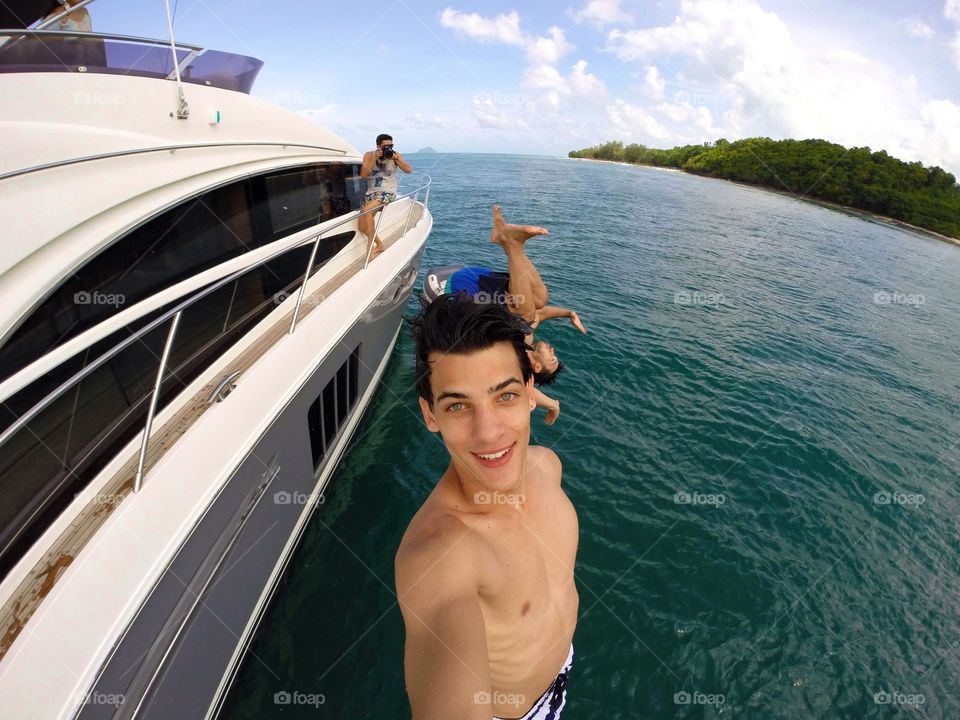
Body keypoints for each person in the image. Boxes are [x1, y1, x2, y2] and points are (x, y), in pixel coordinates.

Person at [397, 295, 579, 720]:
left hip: (561, 673)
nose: (489, 431)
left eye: (505, 396)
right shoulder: (441, 554)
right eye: (457, 405)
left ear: (529, 393)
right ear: (430, 414)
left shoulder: (546, 467)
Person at [447, 206, 586, 386]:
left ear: (536, 367)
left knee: (525, 315)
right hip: (478, 280)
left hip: (463, 289)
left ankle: (510, 242)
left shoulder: (514, 352)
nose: (553, 351)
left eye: (552, 359)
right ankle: (507, 242)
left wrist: (552, 405)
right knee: (540, 299)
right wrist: (569, 313)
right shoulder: (528, 336)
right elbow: (541, 312)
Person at [359, 133, 412, 258]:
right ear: (378, 146)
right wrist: (374, 159)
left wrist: (396, 159)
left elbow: (409, 170)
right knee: (361, 226)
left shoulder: (395, 155)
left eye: (391, 145)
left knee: (366, 211)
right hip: (371, 193)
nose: (389, 148)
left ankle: (370, 247)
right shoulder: (368, 155)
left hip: (388, 192)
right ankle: (380, 245)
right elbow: (363, 175)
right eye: (385, 146)